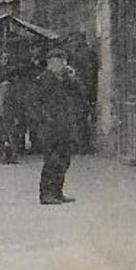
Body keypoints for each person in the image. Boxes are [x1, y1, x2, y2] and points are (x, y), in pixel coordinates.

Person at [27, 45, 87, 204]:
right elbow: (33, 104)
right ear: (48, 63)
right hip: (49, 127)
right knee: (51, 160)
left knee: (64, 160)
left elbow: (81, 94)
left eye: (62, 62)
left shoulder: (67, 80)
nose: (59, 65)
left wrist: (73, 78)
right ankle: (46, 194)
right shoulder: (42, 80)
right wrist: (45, 119)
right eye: (55, 62)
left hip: (66, 126)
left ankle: (57, 192)